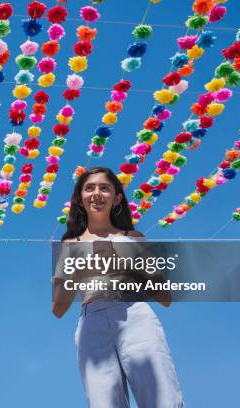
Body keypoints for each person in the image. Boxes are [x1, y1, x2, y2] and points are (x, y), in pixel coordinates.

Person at [52, 167, 184, 408]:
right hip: (92, 323)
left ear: (117, 198)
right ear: (80, 198)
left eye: (105, 188)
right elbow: (58, 308)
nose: (97, 193)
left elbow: (164, 297)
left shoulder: (133, 237)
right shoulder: (70, 243)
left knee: (162, 398)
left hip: (135, 315)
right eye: (89, 188)